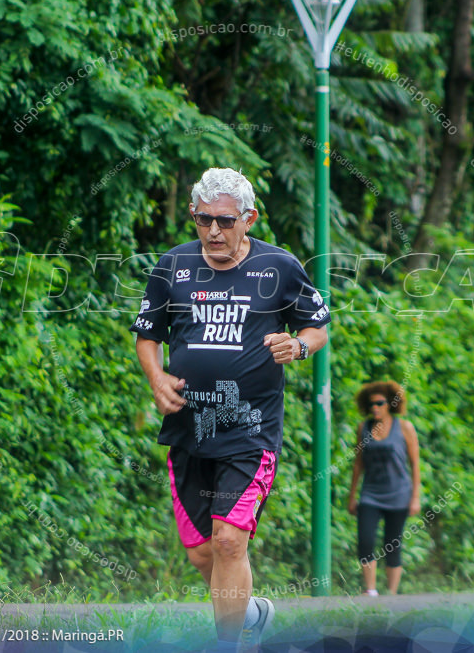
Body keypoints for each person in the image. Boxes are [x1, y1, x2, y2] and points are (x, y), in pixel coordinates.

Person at [131, 167, 330, 651]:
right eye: (203, 221)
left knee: (228, 542)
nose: (213, 232)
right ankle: (253, 613)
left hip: (250, 429)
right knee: (201, 552)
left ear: (249, 218)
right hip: (188, 426)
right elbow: (147, 336)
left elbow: (317, 328)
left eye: (223, 220)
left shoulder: (278, 267)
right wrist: (156, 378)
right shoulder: (172, 266)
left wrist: (298, 348)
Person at [347, 381, 421, 596]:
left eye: (380, 403)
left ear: (390, 404)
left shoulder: (404, 427)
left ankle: (392, 593)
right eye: (371, 404)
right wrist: (352, 496)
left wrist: (415, 497)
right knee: (365, 540)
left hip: (399, 493)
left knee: (393, 543)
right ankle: (370, 590)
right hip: (370, 493)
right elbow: (358, 463)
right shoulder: (364, 428)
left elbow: (415, 463)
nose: (375, 408)